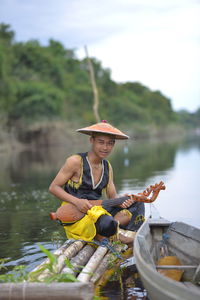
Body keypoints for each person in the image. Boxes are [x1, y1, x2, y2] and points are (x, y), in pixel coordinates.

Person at [49, 120, 145, 243]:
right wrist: (77, 202)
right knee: (105, 221)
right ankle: (114, 232)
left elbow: (113, 197)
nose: (105, 147)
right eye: (101, 142)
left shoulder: (107, 166)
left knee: (138, 204)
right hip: (77, 213)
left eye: (110, 143)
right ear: (91, 140)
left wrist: (122, 200)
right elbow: (53, 187)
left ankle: (118, 231)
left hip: (98, 210)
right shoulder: (76, 161)